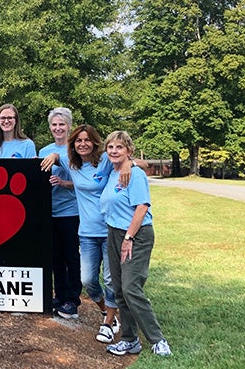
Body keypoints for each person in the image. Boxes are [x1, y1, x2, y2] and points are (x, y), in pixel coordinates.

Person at [41, 124, 122, 343]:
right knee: (88, 280)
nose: (83, 144)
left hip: (109, 229)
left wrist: (129, 167)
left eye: (87, 140)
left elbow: (129, 161)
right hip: (86, 232)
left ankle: (109, 322)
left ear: (95, 142)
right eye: (78, 141)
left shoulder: (105, 160)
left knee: (109, 279)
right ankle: (107, 309)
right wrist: (58, 166)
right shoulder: (71, 163)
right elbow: (75, 180)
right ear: (73, 144)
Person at [100, 131, 171, 356]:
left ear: (128, 151)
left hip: (135, 234)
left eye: (119, 147)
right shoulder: (113, 171)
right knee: (119, 289)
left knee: (131, 287)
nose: (113, 151)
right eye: (110, 147)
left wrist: (129, 238)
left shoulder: (134, 174)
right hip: (114, 232)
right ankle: (130, 340)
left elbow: (142, 207)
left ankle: (158, 340)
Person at [37, 108, 81, 321]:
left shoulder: (77, 150)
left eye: (61, 124)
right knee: (54, 257)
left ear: (69, 126)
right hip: (48, 212)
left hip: (71, 212)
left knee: (70, 257)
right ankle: (59, 295)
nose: (58, 128)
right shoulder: (44, 150)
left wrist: (64, 180)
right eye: (54, 124)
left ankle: (73, 300)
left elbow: (84, 182)